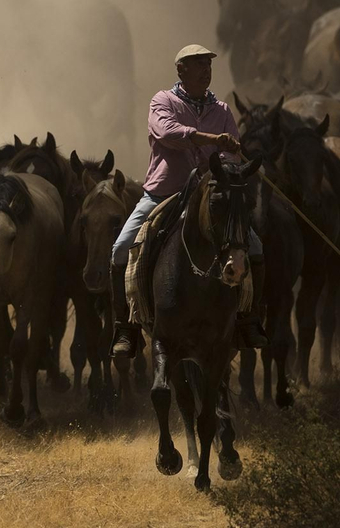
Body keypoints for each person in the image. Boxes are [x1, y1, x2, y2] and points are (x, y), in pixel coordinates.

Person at [110, 44, 267, 358]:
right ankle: (126, 329)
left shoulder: (221, 110)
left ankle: (248, 319)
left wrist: (223, 158)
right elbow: (169, 133)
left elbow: (232, 152)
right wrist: (212, 140)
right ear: (181, 70)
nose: (205, 70)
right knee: (120, 249)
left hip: (209, 195)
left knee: (255, 246)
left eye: (208, 65)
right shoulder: (162, 101)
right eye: (198, 65)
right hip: (164, 194)